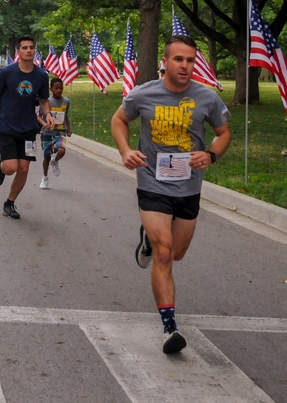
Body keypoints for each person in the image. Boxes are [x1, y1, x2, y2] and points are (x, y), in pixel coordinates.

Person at [111, 34, 231, 355]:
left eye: (191, 60)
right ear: (165, 62)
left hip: (189, 186)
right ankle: (170, 326)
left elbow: (223, 133)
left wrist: (211, 155)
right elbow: (119, 120)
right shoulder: (144, 94)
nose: (185, 66)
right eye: (179, 60)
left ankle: (148, 238)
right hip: (152, 182)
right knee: (164, 254)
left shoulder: (206, 98)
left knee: (177, 253)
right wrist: (125, 151)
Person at [0, 36, 53, 220]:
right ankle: (2, 165)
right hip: (7, 125)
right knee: (11, 168)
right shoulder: (7, 72)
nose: (28, 50)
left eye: (31, 47)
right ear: (19, 51)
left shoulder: (41, 75)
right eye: (24, 47)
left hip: (29, 128)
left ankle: (9, 203)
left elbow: (44, 100)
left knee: (23, 168)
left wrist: (48, 114)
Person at [39, 77, 72, 189]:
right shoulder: (46, 102)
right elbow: (38, 116)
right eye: (56, 88)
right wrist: (44, 124)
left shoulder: (66, 101)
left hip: (60, 132)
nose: (59, 90)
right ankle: (45, 178)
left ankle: (56, 160)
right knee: (46, 157)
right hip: (47, 132)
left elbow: (65, 115)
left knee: (62, 150)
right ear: (51, 89)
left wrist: (68, 128)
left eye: (61, 88)